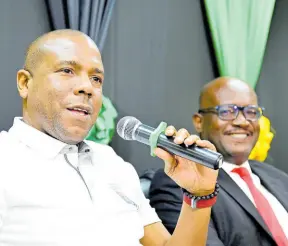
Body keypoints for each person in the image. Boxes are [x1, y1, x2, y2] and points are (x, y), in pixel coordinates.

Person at [0, 29, 220, 246]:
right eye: (67, 70)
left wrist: (198, 194)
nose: (87, 87)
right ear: (25, 83)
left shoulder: (111, 162)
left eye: (96, 78)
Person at [149, 77, 288, 246]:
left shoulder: (279, 178)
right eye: (227, 111)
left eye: (251, 112)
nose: (242, 121)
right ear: (198, 121)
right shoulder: (181, 183)